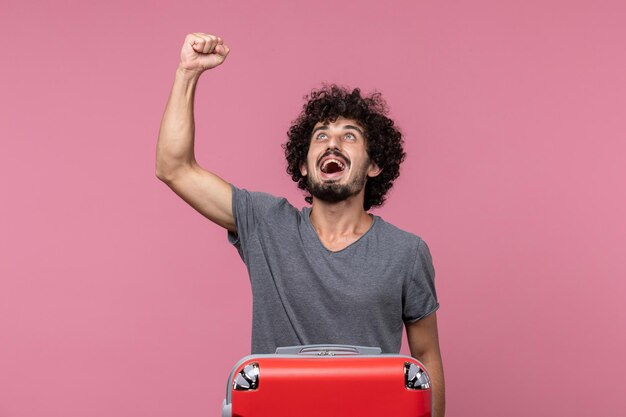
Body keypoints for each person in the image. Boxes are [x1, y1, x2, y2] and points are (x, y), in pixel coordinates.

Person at [156, 32, 445, 417]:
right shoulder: (266, 224)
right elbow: (174, 167)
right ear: (304, 165)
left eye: (349, 136)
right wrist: (187, 73)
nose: (332, 143)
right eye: (321, 136)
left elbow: (426, 357)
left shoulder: (406, 252)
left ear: (375, 165)